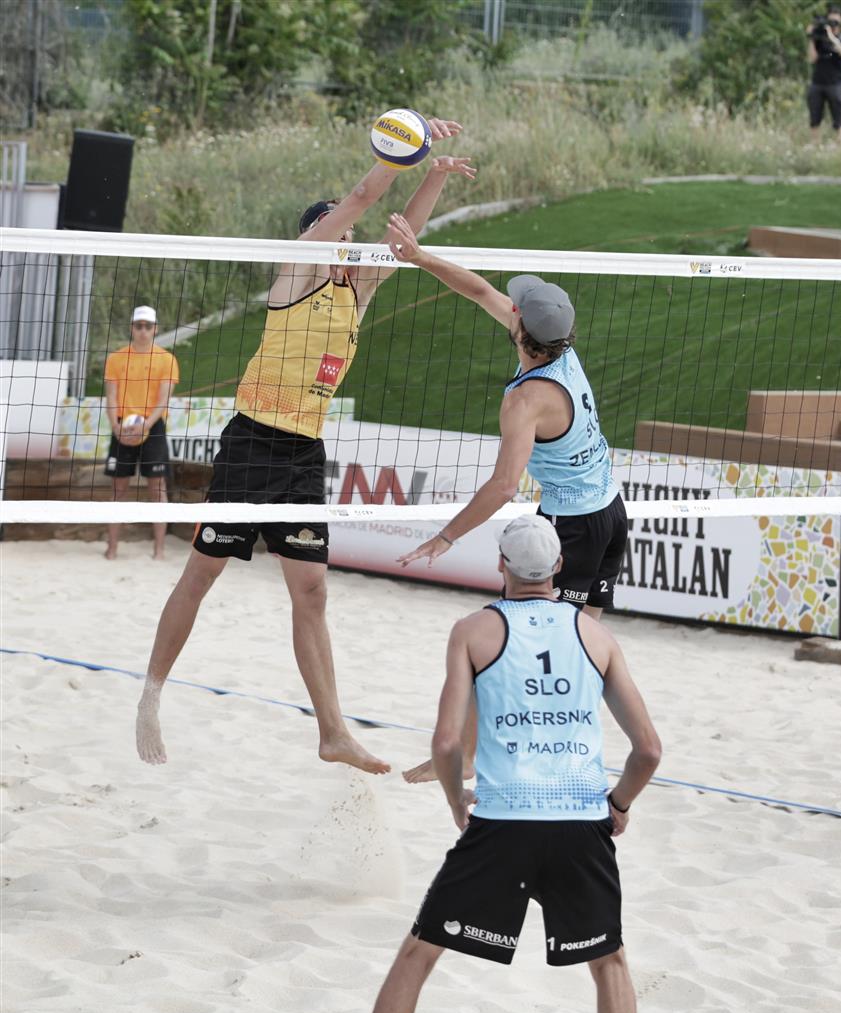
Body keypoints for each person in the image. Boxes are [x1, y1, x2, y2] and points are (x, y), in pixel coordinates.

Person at [134, 120, 475, 774]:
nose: (347, 237)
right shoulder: (297, 269)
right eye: (335, 228)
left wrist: (432, 173)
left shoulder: (357, 288)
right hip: (252, 442)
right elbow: (363, 197)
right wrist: (402, 148)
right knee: (202, 574)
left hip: (302, 453)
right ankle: (151, 695)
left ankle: (333, 732)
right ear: (313, 233)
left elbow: (402, 236)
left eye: (347, 233)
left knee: (312, 592)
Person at [370, 515, 662, 1013]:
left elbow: (446, 743)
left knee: (419, 954)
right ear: (559, 565)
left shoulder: (471, 631)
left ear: (501, 564)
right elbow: (649, 751)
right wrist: (618, 804)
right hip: (580, 821)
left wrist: (455, 800)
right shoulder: (597, 636)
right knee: (610, 962)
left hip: (504, 819)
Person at [386, 212, 627, 784]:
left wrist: (445, 537)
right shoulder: (562, 352)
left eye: (515, 309)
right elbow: (478, 291)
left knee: (511, 641)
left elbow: (502, 486)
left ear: (521, 330)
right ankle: (561, 752)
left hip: (570, 529)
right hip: (611, 514)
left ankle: (473, 756)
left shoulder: (525, 401)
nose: (508, 307)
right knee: (579, 647)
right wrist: (419, 257)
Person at [103, 305, 179, 561]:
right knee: (118, 490)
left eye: (148, 326)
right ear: (132, 328)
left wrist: (146, 424)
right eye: (139, 326)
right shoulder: (116, 358)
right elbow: (111, 398)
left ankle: (159, 551)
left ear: (155, 329)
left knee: (157, 489)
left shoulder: (166, 359)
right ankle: (112, 549)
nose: (143, 330)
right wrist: (115, 426)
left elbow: (163, 400)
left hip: (153, 426)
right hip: (122, 425)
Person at [806, 6, 841, 140]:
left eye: (836, 22)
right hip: (818, 82)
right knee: (814, 120)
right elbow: (812, 59)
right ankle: (815, 147)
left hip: (836, 83)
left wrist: (832, 37)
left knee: (838, 122)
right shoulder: (820, 38)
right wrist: (812, 38)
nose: (833, 24)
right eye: (831, 21)